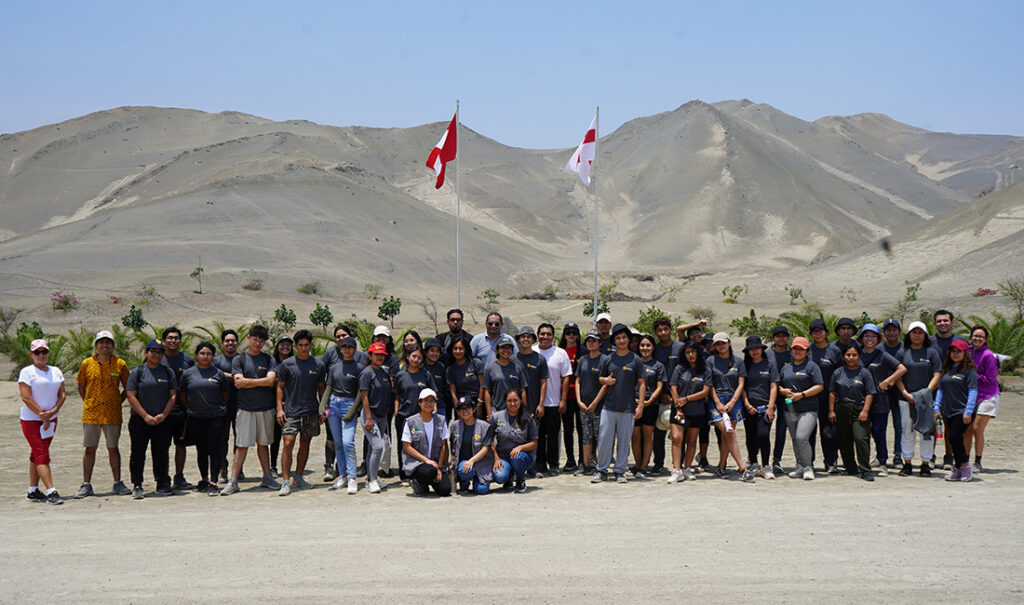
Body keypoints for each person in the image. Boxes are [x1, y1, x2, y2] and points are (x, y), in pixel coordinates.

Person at [221, 325, 281, 495]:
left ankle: (267, 477)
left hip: (266, 408)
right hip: (245, 409)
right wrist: (260, 381)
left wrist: (249, 382)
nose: (258, 343)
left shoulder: (269, 359)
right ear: (248, 338)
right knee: (242, 445)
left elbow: (270, 381)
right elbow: (239, 382)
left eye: (262, 340)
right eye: (255, 339)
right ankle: (233, 481)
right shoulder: (239, 360)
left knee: (264, 444)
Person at [74, 330, 131, 498]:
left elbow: (128, 386)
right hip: (91, 413)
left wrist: (117, 401)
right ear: (96, 345)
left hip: (113, 413)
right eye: (101, 342)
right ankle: (86, 484)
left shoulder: (120, 364)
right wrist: (90, 401)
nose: (104, 345)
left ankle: (117, 483)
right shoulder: (86, 363)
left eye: (108, 342)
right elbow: (81, 386)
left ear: (112, 345)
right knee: (90, 449)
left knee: (113, 448)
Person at [592, 323, 645, 484]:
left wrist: (641, 405)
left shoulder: (635, 360)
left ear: (629, 339)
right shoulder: (608, 359)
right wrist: (606, 380)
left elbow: (642, 383)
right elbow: (600, 378)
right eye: (618, 338)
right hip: (609, 406)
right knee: (604, 439)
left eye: (624, 337)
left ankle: (620, 471)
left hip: (628, 407)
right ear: (614, 341)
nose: (621, 340)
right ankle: (601, 470)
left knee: (624, 441)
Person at [275, 330, 327, 496]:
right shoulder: (286, 365)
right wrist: (279, 409)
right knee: (288, 443)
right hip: (291, 412)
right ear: (295, 346)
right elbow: (280, 387)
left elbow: (321, 388)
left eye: (307, 345)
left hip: (311, 411)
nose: (304, 348)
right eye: (300, 345)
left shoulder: (318, 365)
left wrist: (323, 409)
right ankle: (285, 481)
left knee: (305, 443)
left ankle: (298, 478)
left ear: (310, 345)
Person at [125, 339, 177, 499]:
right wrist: (145, 415)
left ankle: (162, 482)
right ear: (146, 352)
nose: (156, 354)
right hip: (140, 420)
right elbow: (131, 395)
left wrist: (163, 415)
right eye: (153, 351)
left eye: (160, 352)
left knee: (161, 452)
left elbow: (173, 395)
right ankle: (137, 484)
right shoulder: (137, 372)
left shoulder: (168, 372)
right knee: (138, 452)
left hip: (162, 420)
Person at [178, 341, 230, 495]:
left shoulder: (218, 374)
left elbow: (225, 395)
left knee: (214, 449)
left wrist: (214, 407)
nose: (205, 356)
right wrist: (192, 408)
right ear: (196, 355)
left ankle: (214, 482)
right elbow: (183, 395)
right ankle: (204, 479)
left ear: (213, 357)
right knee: (201, 450)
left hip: (215, 417)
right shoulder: (188, 374)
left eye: (208, 354)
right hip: (196, 417)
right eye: (202, 353)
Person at [18, 339, 67, 504]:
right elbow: (25, 396)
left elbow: (62, 394)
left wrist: (54, 411)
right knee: (42, 454)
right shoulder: (27, 372)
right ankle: (51, 491)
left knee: (37, 454)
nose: (41, 355)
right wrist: (40, 414)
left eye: (44, 352)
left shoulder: (56, 371)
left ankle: (32, 491)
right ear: (31, 354)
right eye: (37, 352)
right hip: (31, 420)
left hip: (51, 420)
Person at [857, 324, 906, 476]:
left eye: (873, 336)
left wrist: (887, 381)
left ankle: (883, 462)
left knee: (879, 432)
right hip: (860, 399)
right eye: (866, 336)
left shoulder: (882, 354)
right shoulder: (856, 354)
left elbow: (902, 368)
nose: (869, 339)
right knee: (863, 433)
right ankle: (865, 463)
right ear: (861, 338)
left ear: (878, 338)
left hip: (880, 400)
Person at [895, 321, 941, 477]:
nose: (917, 335)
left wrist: (927, 392)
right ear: (909, 335)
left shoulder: (931, 352)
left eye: (920, 332)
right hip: (906, 398)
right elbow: (898, 376)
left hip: (927, 400)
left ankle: (925, 464)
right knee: (907, 431)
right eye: (914, 332)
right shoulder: (903, 352)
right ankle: (907, 463)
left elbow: (937, 374)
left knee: (927, 431)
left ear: (925, 335)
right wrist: (906, 394)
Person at [707, 333, 753, 482]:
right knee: (729, 432)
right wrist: (718, 403)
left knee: (727, 435)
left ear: (729, 343)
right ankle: (742, 468)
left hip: (734, 401)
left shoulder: (738, 362)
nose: (721, 346)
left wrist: (733, 401)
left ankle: (721, 466)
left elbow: (741, 384)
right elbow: (709, 385)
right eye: (718, 344)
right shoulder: (710, 361)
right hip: (717, 401)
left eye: (723, 343)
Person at [827, 345, 877, 481]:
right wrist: (831, 410)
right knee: (844, 440)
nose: (851, 358)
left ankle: (865, 469)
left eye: (854, 355)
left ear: (859, 356)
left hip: (859, 409)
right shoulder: (838, 372)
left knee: (861, 438)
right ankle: (850, 467)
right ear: (844, 356)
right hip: (841, 408)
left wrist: (865, 410)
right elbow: (832, 392)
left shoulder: (864, 373)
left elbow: (870, 393)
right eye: (848, 355)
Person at [778, 337, 824, 480]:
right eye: (795, 349)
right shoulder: (786, 367)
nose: (797, 351)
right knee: (794, 439)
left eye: (801, 349)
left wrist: (802, 395)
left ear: (806, 351)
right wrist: (783, 391)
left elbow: (819, 386)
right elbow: (777, 386)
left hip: (808, 408)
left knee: (802, 437)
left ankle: (808, 467)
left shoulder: (812, 366)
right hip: (790, 407)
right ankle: (800, 466)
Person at [933, 340, 979, 482]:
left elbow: (973, 392)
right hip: (948, 410)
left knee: (954, 436)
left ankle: (965, 466)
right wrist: (936, 408)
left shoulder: (969, 371)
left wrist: (968, 411)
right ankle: (958, 469)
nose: (956, 354)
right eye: (953, 351)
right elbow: (940, 390)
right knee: (954, 439)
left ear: (965, 353)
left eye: (959, 351)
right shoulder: (946, 369)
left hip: (963, 411)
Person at [667, 340, 713, 483]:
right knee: (676, 438)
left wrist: (686, 399)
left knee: (692, 441)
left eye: (693, 352)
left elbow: (706, 391)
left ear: (698, 353)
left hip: (697, 411)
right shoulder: (679, 368)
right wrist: (679, 407)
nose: (691, 355)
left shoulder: (706, 370)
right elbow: (673, 387)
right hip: (679, 410)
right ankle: (676, 470)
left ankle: (687, 469)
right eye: (687, 352)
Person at [392, 345, 437, 482]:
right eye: (414, 356)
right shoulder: (400, 375)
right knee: (403, 446)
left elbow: (432, 393)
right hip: (404, 416)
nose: (416, 360)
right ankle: (405, 475)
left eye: (419, 357)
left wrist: (434, 410)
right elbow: (397, 395)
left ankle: (420, 472)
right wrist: (396, 410)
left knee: (421, 444)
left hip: (422, 416)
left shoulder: (425, 374)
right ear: (407, 357)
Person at [160, 326, 196, 491]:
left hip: (183, 409)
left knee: (180, 444)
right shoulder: (157, 358)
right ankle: (163, 478)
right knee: (162, 446)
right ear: (164, 341)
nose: (173, 341)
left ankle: (179, 477)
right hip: (162, 410)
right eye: (170, 338)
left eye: (176, 338)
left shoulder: (187, 360)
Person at [401, 389, 451, 496]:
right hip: (418, 463)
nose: (429, 404)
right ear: (420, 403)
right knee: (427, 472)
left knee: (445, 490)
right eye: (426, 401)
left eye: (432, 401)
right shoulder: (410, 422)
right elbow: (407, 447)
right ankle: (418, 483)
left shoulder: (441, 421)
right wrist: (427, 461)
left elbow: (443, 446)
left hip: (435, 463)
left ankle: (431, 480)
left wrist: (439, 468)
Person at [537, 324, 572, 476]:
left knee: (552, 434)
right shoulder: (531, 351)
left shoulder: (560, 353)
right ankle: (539, 465)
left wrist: (563, 400)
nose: (545, 337)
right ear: (538, 335)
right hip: (535, 403)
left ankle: (553, 464)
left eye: (548, 334)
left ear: (553, 336)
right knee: (537, 435)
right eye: (542, 334)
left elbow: (566, 377)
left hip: (553, 401)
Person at [358, 342, 393, 493]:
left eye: (381, 355)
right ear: (370, 355)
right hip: (369, 415)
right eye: (376, 354)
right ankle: (373, 480)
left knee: (373, 447)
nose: (379, 357)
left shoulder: (384, 372)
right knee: (378, 446)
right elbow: (364, 397)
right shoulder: (367, 372)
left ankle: (369, 479)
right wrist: (368, 418)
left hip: (382, 415)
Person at [741, 335, 778, 479]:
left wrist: (770, 407)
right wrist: (747, 404)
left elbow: (774, 386)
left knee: (763, 434)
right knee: (750, 437)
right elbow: (742, 387)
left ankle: (766, 466)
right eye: (752, 349)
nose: (755, 351)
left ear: (762, 349)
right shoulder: (745, 366)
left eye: (757, 348)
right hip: (749, 406)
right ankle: (754, 464)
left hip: (765, 407)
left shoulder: (769, 365)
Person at [651, 318, 683, 476]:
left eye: (665, 329)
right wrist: (662, 393)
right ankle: (658, 464)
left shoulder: (680, 347)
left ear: (671, 330)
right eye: (659, 330)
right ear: (656, 333)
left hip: (680, 395)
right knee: (658, 431)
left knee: (679, 432)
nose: (663, 332)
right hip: (660, 395)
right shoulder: (655, 349)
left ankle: (680, 464)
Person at [931, 310, 963, 469]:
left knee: (950, 424)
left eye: (945, 320)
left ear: (951, 322)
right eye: (939, 321)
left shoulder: (960, 341)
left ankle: (949, 457)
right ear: (935, 323)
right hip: (933, 387)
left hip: (953, 389)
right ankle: (930, 455)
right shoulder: (929, 341)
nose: (942, 323)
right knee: (931, 424)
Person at [808, 318, 840, 474]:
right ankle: (809, 463)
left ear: (826, 332)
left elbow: (840, 374)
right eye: (814, 331)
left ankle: (831, 462)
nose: (818, 333)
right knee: (809, 432)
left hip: (829, 398)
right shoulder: (807, 350)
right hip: (810, 398)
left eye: (820, 330)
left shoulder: (834, 351)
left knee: (828, 433)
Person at [966, 325, 999, 473]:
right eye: (975, 335)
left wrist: (972, 375)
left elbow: (990, 378)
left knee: (977, 429)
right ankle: (964, 460)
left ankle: (977, 461)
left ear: (985, 339)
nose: (977, 338)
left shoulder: (988, 355)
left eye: (981, 336)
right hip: (972, 395)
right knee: (967, 430)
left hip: (987, 395)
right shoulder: (967, 351)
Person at [631, 334, 665, 479]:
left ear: (653, 347)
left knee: (647, 436)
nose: (645, 348)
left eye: (648, 345)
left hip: (651, 405)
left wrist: (649, 401)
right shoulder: (634, 363)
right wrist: (635, 400)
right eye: (642, 345)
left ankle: (644, 467)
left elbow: (660, 386)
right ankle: (638, 465)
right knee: (635, 436)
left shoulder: (658, 365)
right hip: (634, 404)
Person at [491, 390, 539, 493]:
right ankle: (509, 477)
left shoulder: (528, 418)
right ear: (505, 401)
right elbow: (489, 440)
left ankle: (520, 480)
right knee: (500, 477)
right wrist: (496, 458)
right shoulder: (496, 417)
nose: (512, 404)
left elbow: (534, 442)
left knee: (517, 457)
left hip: (523, 457)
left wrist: (520, 448)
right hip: (503, 456)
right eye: (509, 401)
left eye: (515, 400)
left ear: (521, 400)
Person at [574, 330, 607, 476]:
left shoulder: (605, 360)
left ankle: (600, 466)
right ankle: (586, 465)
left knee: (600, 436)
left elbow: (606, 384)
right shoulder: (583, 360)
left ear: (600, 343)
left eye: (594, 340)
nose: (591, 343)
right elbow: (577, 381)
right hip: (584, 406)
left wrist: (594, 403)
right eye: (588, 340)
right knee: (586, 436)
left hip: (599, 406)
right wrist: (579, 401)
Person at [449, 396, 494, 494]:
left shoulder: (484, 426)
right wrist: (452, 460)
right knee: (464, 470)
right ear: (458, 412)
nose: (465, 411)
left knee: (481, 490)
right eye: (461, 409)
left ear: (473, 409)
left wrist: (471, 461)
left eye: (468, 408)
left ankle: (476, 478)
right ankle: (464, 484)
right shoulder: (454, 426)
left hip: (481, 462)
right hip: (463, 463)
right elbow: (452, 443)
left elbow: (485, 448)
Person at [212, 329, 239, 483]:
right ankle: (223, 468)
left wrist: (227, 376)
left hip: (241, 404)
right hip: (221, 405)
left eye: (233, 340)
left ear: (237, 342)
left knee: (240, 439)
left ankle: (238, 468)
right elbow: (214, 374)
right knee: (222, 439)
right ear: (222, 343)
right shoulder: (216, 361)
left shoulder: (242, 358)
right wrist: (231, 376)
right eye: (227, 341)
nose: (230, 343)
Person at [559, 322, 584, 472]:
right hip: (565, 396)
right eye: (568, 332)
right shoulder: (560, 351)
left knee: (582, 429)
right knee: (567, 429)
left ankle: (582, 459)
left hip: (579, 396)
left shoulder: (583, 351)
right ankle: (570, 460)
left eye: (574, 332)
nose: (571, 335)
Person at [481, 334, 524, 420]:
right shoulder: (490, 368)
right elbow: (486, 392)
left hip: (515, 409)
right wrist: (489, 413)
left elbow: (523, 390)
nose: (506, 350)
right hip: (497, 410)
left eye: (508, 348)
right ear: (497, 350)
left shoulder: (518, 368)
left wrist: (524, 411)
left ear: (512, 350)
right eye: (503, 347)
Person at [880, 318, 905, 467]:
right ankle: (880, 455)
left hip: (899, 392)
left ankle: (898, 455)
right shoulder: (879, 349)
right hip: (882, 393)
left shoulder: (904, 349)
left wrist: (892, 381)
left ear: (899, 332)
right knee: (879, 426)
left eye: (894, 330)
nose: (891, 333)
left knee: (899, 425)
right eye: (888, 330)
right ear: (883, 333)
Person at [768, 324, 792, 476]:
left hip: (787, 398)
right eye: (778, 336)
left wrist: (785, 391)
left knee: (782, 428)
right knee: (764, 428)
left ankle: (777, 460)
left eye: (784, 336)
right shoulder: (766, 354)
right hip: (768, 395)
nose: (781, 339)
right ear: (773, 338)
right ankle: (756, 459)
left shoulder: (792, 354)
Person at [270, 335, 293, 477]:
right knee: (275, 438)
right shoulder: (272, 363)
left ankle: (287, 466)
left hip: (291, 406)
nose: (285, 346)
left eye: (288, 344)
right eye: (282, 344)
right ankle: (273, 466)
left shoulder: (294, 363)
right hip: (274, 405)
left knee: (289, 438)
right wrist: (278, 403)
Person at [514, 326, 548, 420]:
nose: (526, 339)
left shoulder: (540, 359)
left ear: (533, 340)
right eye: (523, 336)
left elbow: (543, 382)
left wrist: (541, 404)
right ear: (518, 339)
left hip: (534, 406)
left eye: (529, 337)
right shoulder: (512, 359)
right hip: (514, 407)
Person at [446, 339, 484, 419]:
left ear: (466, 350)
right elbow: (453, 392)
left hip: (476, 400)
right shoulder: (450, 369)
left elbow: (482, 385)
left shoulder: (475, 363)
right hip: (461, 402)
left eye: (461, 348)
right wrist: (458, 409)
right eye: (455, 348)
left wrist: (479, 404)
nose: (458, 351)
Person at [422, 338, 450, 420]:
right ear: (426, 352)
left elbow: (445, 386)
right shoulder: (421, 366)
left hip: (440, 405)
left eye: (437, 351)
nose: (435, 353)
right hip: (424, 405)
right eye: (432, 350)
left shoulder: (440, 366)